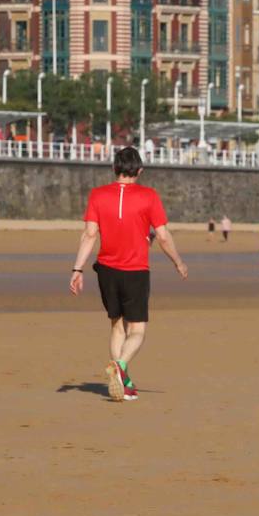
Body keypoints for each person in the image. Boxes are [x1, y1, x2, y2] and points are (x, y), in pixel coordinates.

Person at [69, 146, 189, 402]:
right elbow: (164, 236)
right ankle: (120, 366)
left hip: (106, 270)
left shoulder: (97, 195)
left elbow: (90, 234)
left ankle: (123, 383)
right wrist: (178, 261)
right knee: (137, 329)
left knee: (116, 324)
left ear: (114, 168)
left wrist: (77, 268)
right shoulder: (149, 196)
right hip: (135, 270)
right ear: (140, 170)